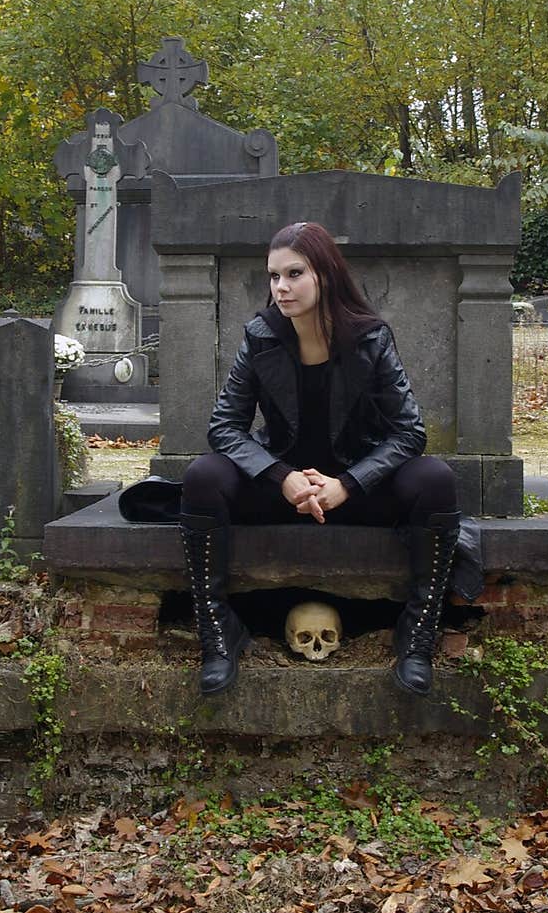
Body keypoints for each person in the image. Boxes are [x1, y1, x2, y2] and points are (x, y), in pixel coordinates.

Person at [178, 221, 460, 699]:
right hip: (281, 490)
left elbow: (409, 432)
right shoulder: (261, 336)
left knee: (435, 479)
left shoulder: (371, 338)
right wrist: (282, 476)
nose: (281, 288)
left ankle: (415, 640)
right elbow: (225, 427)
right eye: (273, 276)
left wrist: (348, 483)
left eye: (294, 274)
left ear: (325, 275)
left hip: (355, 491)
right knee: (203, 475)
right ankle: (218, 636)